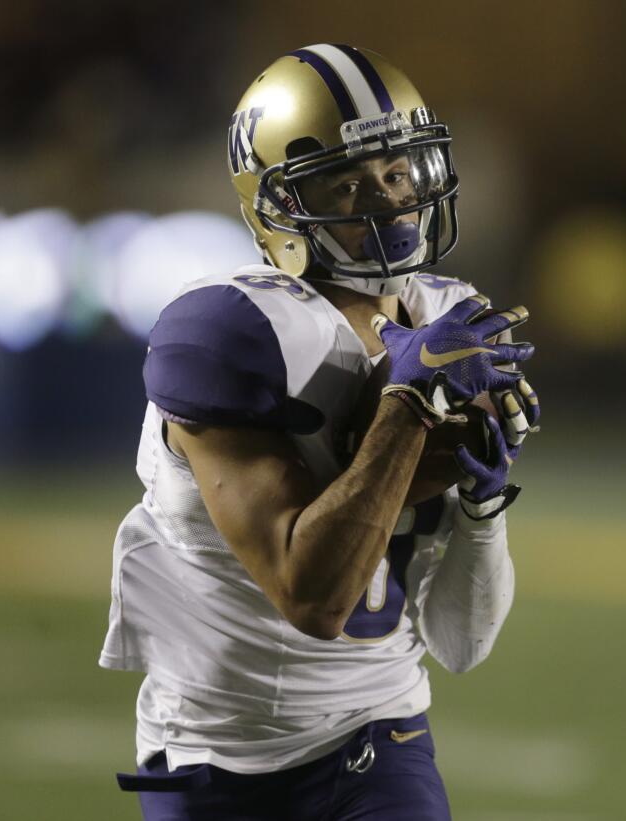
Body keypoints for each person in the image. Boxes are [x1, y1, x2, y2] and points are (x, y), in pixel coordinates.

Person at [99, 44, 540, 820]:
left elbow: (463, 642)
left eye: (397, 174)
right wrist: (407, 407)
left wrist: (483, 501)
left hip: (379, 728)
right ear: (280, 205)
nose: (388, 205)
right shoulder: (227, 333)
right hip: (215, 752)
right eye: (348, 182)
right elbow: (314, 595)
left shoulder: (449, 317)